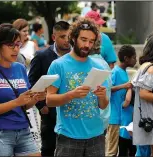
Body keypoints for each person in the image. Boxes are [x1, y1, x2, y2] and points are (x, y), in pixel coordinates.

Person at [0, 23, 46, 156]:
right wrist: (16, 102)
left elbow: (24, 105)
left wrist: (35, 98)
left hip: (24, 131)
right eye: (11, 45)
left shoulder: (20, 68)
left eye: (18, 44)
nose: (16, 49)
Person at [46, 18, 109, 156]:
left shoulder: (98, 67)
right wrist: (71, 94)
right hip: (69, 137)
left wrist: (102, 96)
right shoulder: (58, 65)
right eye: (83, 39)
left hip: (96, 136)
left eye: (91, 41)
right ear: (73, 38)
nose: (87, 45)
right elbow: (49, 100)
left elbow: (103, 105)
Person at [28, 20, 71, 157]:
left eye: (69, 37)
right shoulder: (42, 56)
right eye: (62, 37)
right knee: (49, 148)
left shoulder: (75, 57)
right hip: (49, 112)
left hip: (70, 110)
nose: (66, 40)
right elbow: (32, 81)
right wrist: (41, 105)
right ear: (54, 37)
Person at [105, 45, 136, 156]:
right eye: (133, 57)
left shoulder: (123, 72)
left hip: (121, 118)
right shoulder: (115, 72)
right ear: (126, 58)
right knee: (111, 150)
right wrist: (124, 86)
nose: (135, 60)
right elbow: (108, 89)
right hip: (114, 117)